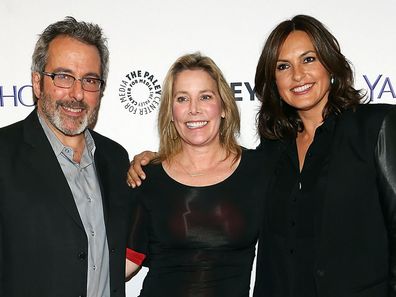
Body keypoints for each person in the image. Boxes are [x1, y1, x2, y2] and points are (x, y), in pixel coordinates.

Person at [127, 15, 396, 297]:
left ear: (330, 64)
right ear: (274, 80)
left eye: (308, 59)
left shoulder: (376, 127)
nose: (297, 75)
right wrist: (153, 160)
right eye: (283, 66)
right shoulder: (273, 152)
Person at [0, 17, 132, 297]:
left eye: (90, 80)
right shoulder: (3, 154)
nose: (77, 93)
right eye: (63, 76)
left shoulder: (116, 159)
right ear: (37, 83)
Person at [125, 53, 273, 297]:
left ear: (224, 106)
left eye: (205, 97)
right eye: (182, 99)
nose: (194, 110)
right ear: (171, 113)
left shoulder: (259, 170)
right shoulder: (147, 178)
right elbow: (125, 264)